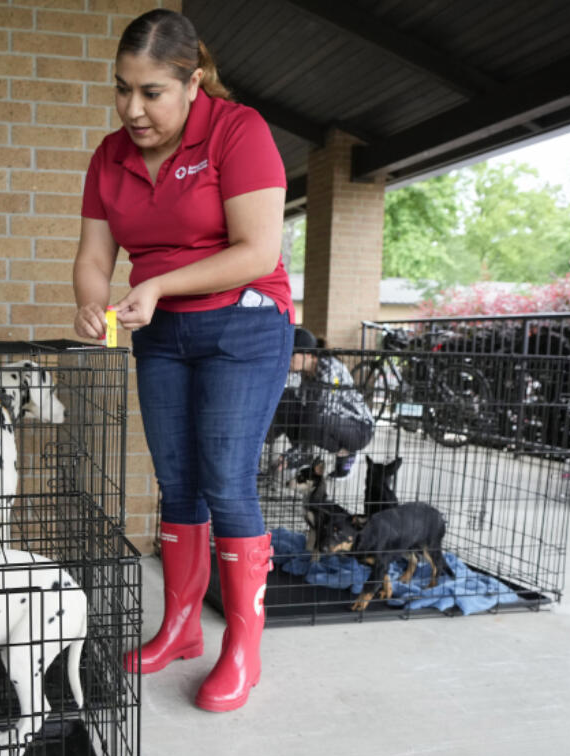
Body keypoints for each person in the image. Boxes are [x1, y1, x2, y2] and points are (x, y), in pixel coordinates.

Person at [72, 9, 293, 712]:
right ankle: (179, 627)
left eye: (152, 93)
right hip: (161, 331)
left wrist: (160, 283)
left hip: (243, 322)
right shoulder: (110, 156)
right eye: (121, 90)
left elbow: (258, 250)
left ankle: (243, 646)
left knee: (227, 481)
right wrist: (90, 300)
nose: (133, 109)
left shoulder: (239, 130)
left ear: (192, 81)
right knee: (177, 482)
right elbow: (94, 255)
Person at [270, 327, 376, 478]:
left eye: (292, 354)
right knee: (288, 401)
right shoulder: (303, 373)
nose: (287, 359)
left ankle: (346, 452)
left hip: (358, 428)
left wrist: (290, 456)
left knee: (315, 417)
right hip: (329, 421)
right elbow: (296, 410)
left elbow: (316, 416)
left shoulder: (330, 370)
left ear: (309, 355)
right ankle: (303, 455)